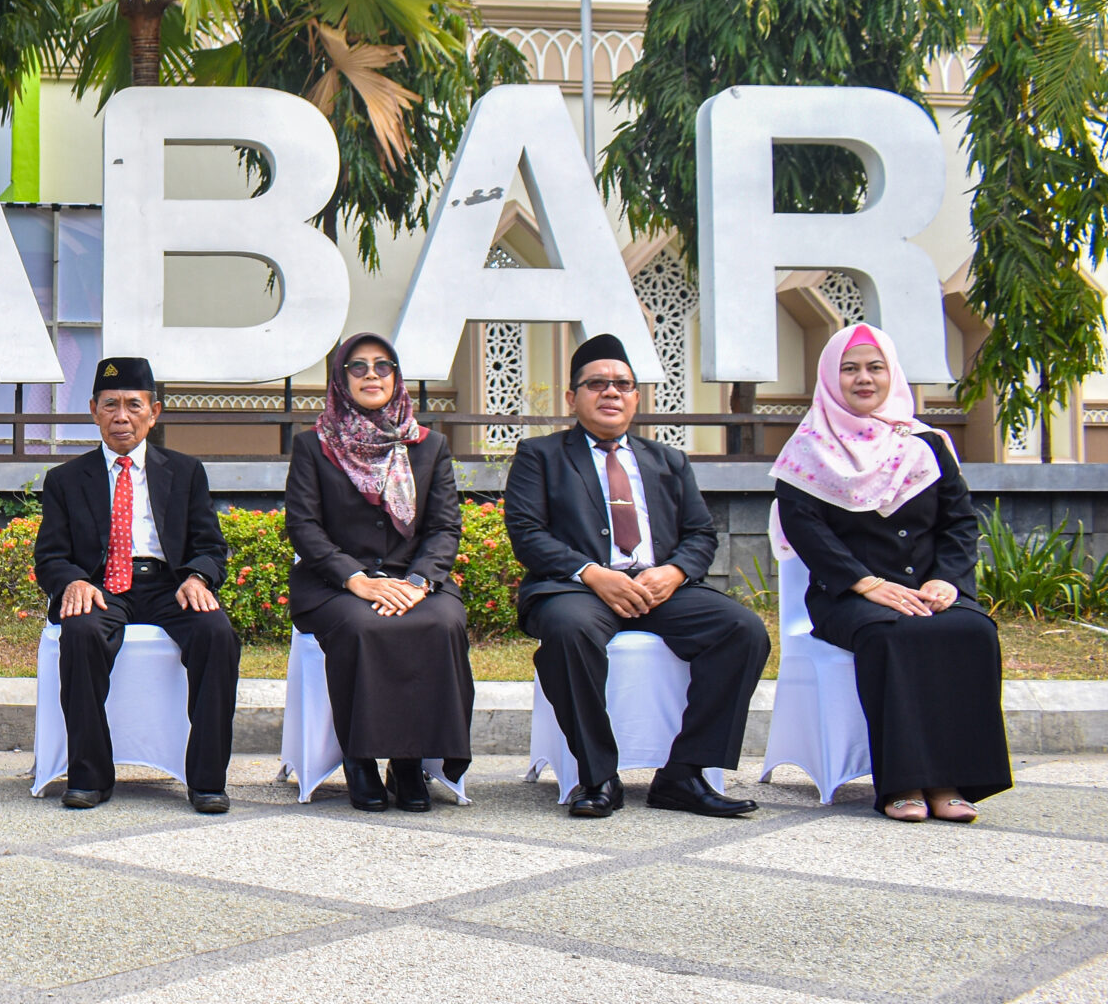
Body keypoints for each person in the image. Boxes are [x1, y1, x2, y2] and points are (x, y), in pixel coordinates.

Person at [504, 333, 767, 820]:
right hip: (577, 589)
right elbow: (526, 533)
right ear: (572, 397)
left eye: (622, 384)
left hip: (657, 587)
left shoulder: (667, 460)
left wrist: (674, 571)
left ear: (636, 397)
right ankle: (599, 776)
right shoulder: (539, 455)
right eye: (597, 383)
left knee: (742, 630)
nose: (611, 393)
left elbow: (700, 535)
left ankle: (684, 774)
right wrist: (591, 573)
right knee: (567, 631)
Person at [772, 323, 1009, 822]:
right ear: (831, 377)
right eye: (850, 368)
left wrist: (948, 579)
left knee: (972, 630)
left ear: (891, 374)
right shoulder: (808, 449)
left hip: (929, 588)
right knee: (890, 634)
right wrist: (866, 583)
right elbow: (806, 528)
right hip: (848, 596)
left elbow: (960, 521)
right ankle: (902, 785)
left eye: (875, 367)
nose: (864, 378)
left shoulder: (926, 444)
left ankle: (951, 781)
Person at [33, 356, 239, 813]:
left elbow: (210, 544)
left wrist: (199, 577)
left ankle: (207, 780)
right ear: (93, 409)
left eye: (132, 405)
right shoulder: (66, 480)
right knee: (81, 631)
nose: (120, 416)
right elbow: (50, 556)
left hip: (169, 586)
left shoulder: (185, 472)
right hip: (102, 588)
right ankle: (89, 776)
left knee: (217, 634)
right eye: (110, 405)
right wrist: (72, 582)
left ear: (154, 411)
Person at [286, 333, 473, 813]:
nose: (372, 375)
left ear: (397, 376)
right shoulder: (314, 445)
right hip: (336, 585)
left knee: (440, 622)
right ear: (340, 379)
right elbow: (303, 526)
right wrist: (356, 579)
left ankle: (409, 763)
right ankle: (361, 759)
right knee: (364, 625)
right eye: (358, 367)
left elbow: (444, 526)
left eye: (383, 366)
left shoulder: (429, 446)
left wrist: (416, 583)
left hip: (414, 580)